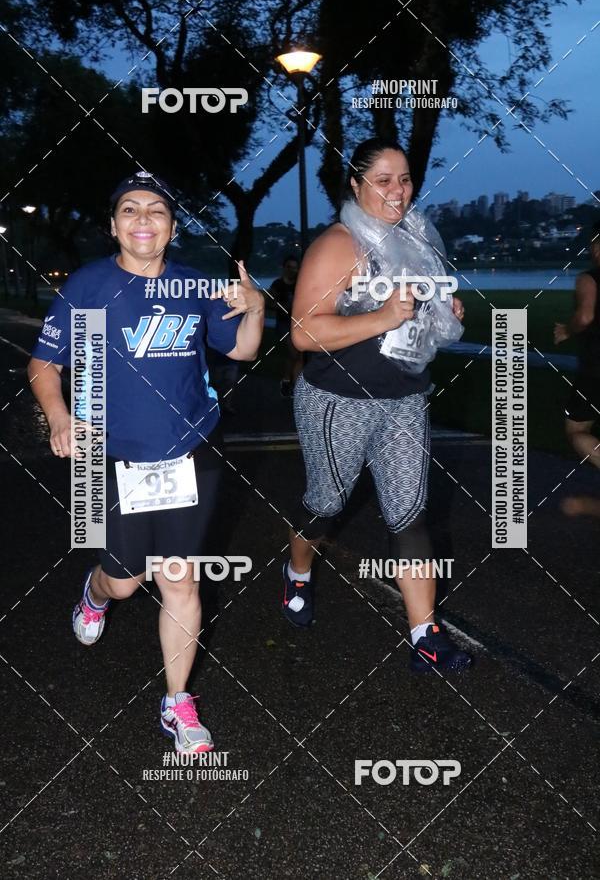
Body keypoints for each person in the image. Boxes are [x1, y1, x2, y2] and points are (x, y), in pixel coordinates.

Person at [27, 171, 265, 751]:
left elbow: (241, 348)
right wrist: (60, 417)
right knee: (128, 582)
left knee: (180, 577)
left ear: (171, 227)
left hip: (192, 449)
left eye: (155, 210)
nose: (142, 220)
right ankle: (95, 591)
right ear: (114, 226)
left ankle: (176, 702)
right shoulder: (88, 286)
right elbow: (44, 365)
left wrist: (256, 308)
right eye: (129, 210)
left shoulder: (195, 286)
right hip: (113, 457)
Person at [281, 138, 472, 673]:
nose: (398, 190)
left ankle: (424, 637)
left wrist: (445, 315)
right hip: (336, 401)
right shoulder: (339, 245)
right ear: (357, 184)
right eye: (384, 180)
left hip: (406, 400)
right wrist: (384, 318)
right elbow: (301, 332)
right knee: (325, 505)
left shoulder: (417, 239)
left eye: (406, 178)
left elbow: (425, 322)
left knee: (411, 515)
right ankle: (297, 573)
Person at [555, 220, 600, 518]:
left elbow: (584, 317)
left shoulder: (589, 278)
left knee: (576, 431)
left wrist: (566, 331)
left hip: (595, 371)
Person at [269, 254, 303, 396]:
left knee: (297, 355)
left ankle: (291, 383)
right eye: (289, 267)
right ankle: (289, 382)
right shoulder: (278, 284)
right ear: (284, 268)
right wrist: (284, 306)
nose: (292, 270)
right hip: (284, 323)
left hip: (299, 323)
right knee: (293, 353)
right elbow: (271, 303)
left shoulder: (300, 284)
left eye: (295, 268)